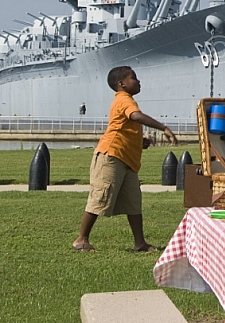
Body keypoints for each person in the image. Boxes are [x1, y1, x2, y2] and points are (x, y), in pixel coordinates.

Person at [72, 66, 177, 252]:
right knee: (100, 196)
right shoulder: (124, 99)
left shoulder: (126, 100)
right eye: (133, 78)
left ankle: (140, 243)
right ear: (121, 84)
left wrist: (140, 141)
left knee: (133, 201)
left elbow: (125, 127)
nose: (138, 81)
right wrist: (164, 128)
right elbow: (135, 116)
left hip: (126, 160)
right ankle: (81, 239)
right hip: (111, 156)